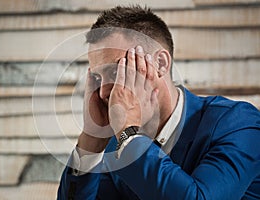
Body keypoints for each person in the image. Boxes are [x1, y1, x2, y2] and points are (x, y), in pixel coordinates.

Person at [57, 5, 260, 199]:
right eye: (99, 79)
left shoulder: (238, 124)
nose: (102, 93)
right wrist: (91, 143)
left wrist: (130, 137)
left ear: (160, 63)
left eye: (115, 71)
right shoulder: (117, 146)